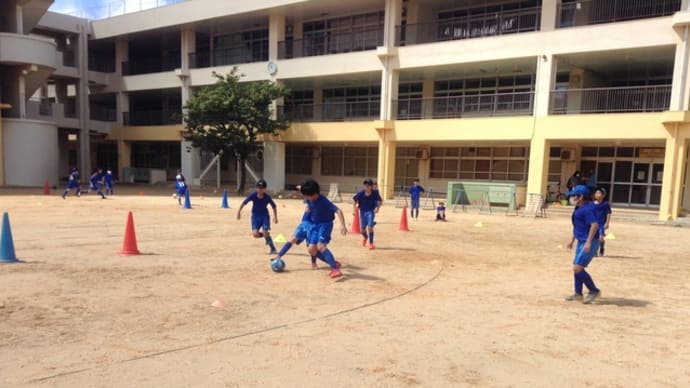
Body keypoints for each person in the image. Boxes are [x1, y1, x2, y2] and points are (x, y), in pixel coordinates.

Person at [300, 179, 347, 278]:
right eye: (306, 196)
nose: (308, 198)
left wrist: (342, 225)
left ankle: (335, 269)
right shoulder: (309, 198)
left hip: (325, 225)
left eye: (309, 196)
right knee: (311, 250)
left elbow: (338, 210)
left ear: (316, 193)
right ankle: (333, 262)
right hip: (314, 226)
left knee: (321, 246)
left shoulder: (323, 201)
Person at [564, 185, 601, 304]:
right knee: (576, 267)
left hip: (589, 241)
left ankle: (594, 290)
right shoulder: (578, 208)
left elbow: (594, 225)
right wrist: (572, 240)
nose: (573, 198)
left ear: (582, 197)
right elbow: (578, 226)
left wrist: (589, 242)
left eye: (576, 195)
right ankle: (578, 293)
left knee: (578, 268)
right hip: (581, 241)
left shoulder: (587, 209)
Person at [272, 198, 319, 269]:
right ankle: (278, 256)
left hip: (312, 226)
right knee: (293, 239)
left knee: (311, 247)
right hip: (304, 224)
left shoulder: (319, 203)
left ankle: (314, 263)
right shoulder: (310, 199)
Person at [237, 179, 278, 255]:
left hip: (264, 216)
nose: (260, 189)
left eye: (262, 188)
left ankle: (273, 249)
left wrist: (275, 217)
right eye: (259, 188)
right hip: (255, 216)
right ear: (256, 188)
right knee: (255, 234)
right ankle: (266, 236)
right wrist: (239, 211)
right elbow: (244, 202)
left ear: (265, 189)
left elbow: (274, 206)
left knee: (265, 232)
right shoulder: (253, 195)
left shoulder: (267, 197)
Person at [353, 178, 382, 250]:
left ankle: (371, 243)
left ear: (371, 186)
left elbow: (380, 201)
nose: (366, 187)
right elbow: (354, 200)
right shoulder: (361, 193)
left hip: (370, 212)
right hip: (362, 212)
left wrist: (377, 208)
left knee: (370, 227)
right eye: (365, 185)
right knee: (362, 230)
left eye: (368, 185)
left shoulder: (375, 193)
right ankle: (365, 237)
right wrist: (354, 210)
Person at [593, 187, 612, 257]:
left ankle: (601, 248)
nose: (598, 195)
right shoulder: (592, 204)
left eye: (599, 193)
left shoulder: (605, 204)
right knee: (594, 238)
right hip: (593, 224)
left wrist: (607, 222)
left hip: (601, 223)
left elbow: (608, 213)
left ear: (603, 195)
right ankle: (594, 251)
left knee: (601, 237)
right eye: (596, 193)